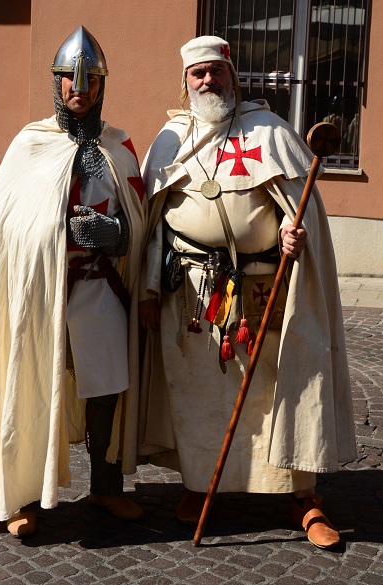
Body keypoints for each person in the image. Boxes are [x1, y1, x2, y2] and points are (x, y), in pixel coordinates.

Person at [138, 36, 356, 550]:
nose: (208, 81)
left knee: (282, 391)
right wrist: (149, 290)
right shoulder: (170, 139)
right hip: (191, 294)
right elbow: (156, 228)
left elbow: (298, 208)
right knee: (197, 394)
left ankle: (303, 496)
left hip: (265, 291)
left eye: (216, 72)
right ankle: (199, 484)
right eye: (198, 74)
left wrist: (290, 236)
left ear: (233, 77)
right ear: (185, 82)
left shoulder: (270, 132)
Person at [0, 26, 146, 537]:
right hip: (38, 297)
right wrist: (51, 227)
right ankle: (23, 497)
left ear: (102, 85)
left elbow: (140, 218)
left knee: (107, 389)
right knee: (30, 387)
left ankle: (105, 487)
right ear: (56, 83)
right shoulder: (30, 142)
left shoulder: (119, 146)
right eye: (69, 78)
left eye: (89, 79)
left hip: (100, 289)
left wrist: (117, 232)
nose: (79, 87)